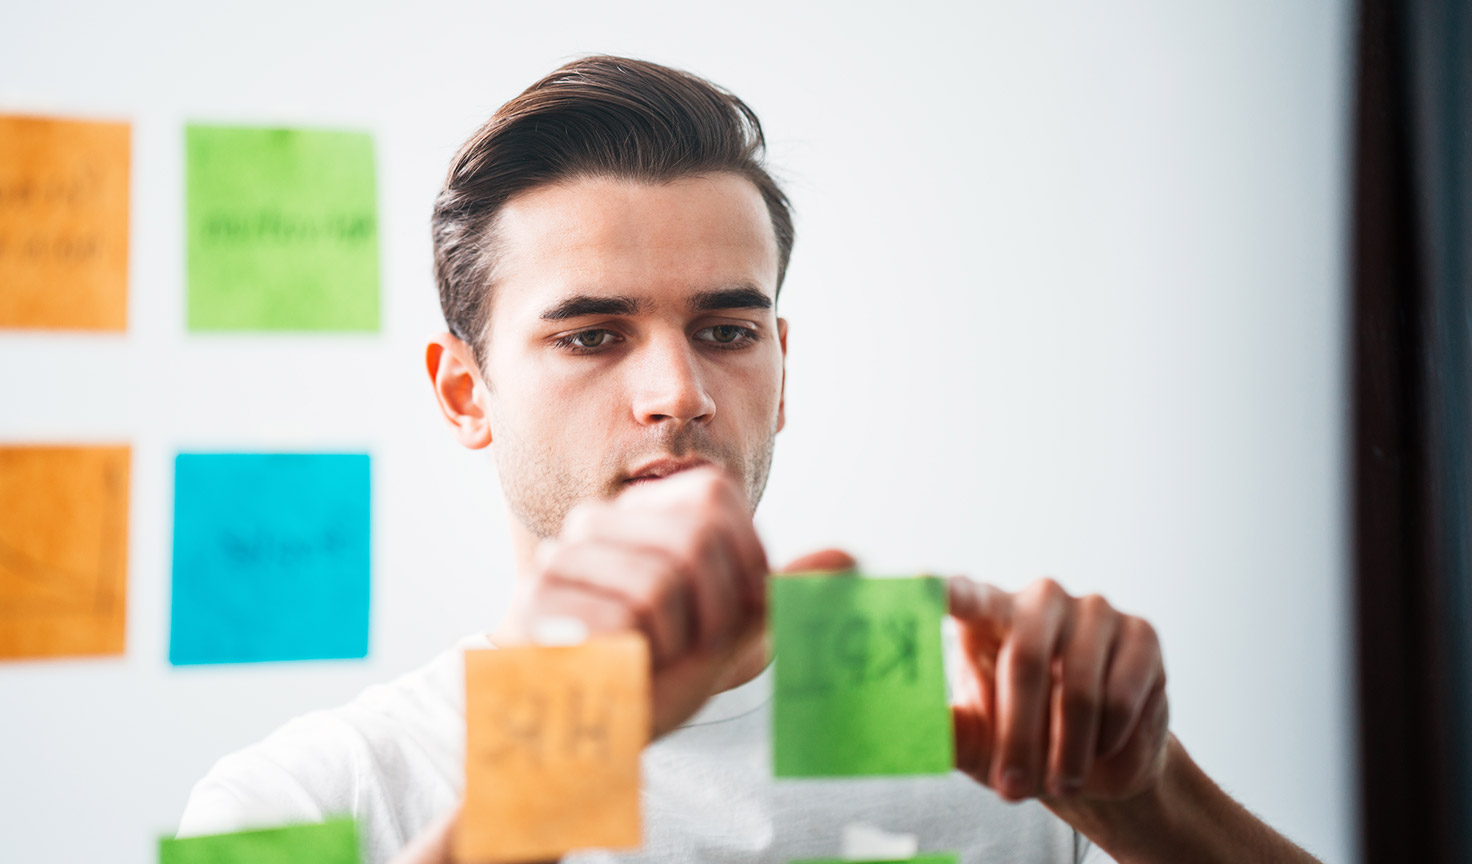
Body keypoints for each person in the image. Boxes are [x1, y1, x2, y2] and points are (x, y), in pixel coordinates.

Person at [178, 55, 1325, 864]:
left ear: (781, 365)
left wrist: (1153, 808)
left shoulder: (991, 741)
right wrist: (546, 780)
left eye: (727, 331)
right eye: (591, 335)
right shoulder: (308, 796)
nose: (678, 393)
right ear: (464, 392)